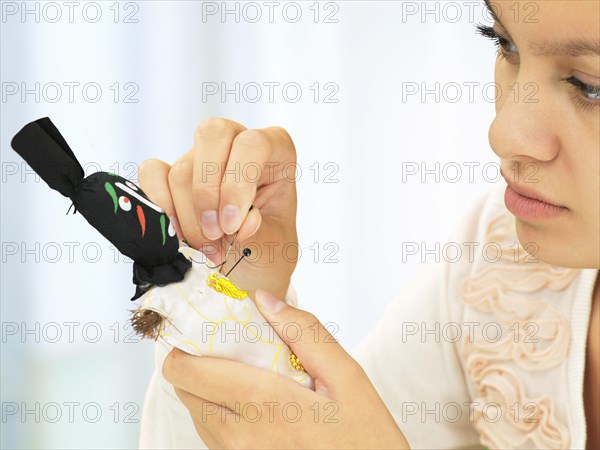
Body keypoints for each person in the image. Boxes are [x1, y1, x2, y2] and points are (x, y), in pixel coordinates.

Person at [135, 1, 599, 448]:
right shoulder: (500, 268)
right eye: (505, 45)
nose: (503, 134)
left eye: (590, 86)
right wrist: (235, 314)